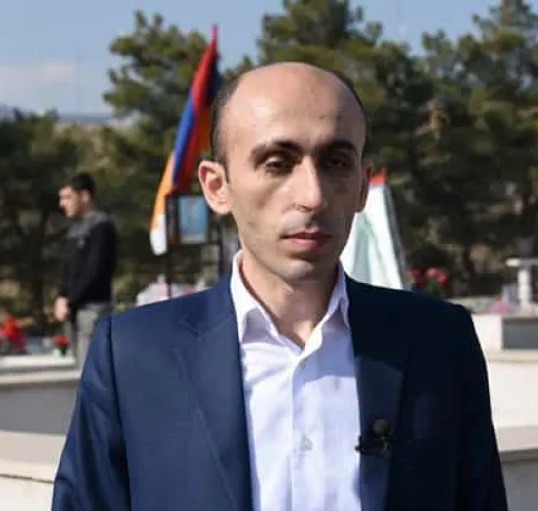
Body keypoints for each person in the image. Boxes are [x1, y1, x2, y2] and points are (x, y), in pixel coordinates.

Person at [53, 62, 506, 511]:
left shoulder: (438, 343)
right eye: (277, 163)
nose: (313, 195)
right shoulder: (133, 355)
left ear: (362, 186)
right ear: (217, 187)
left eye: (336, 163)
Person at [55, 172, 118, 365]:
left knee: (92, 370)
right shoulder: (74, 229)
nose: (62, 204)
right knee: (81, 370)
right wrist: (62, 296)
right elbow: (68, 269)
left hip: (93, 310)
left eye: (67, 197)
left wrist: (71, 300)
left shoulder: (101, 227)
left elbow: (95, 271)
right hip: (74, 310)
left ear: (84, 196)